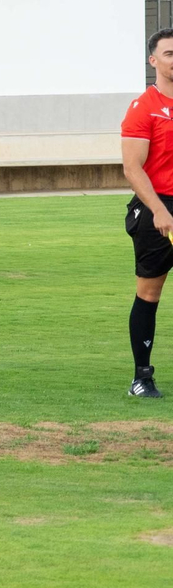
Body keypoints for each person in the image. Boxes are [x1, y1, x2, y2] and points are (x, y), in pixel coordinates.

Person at [119, 28, 173, 399]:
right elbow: (132, 168)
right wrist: (157, 209)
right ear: (153, 60)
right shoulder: (144, 107)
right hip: (159, 207)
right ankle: (142, 377)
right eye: (169, 53)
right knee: (149, 294)